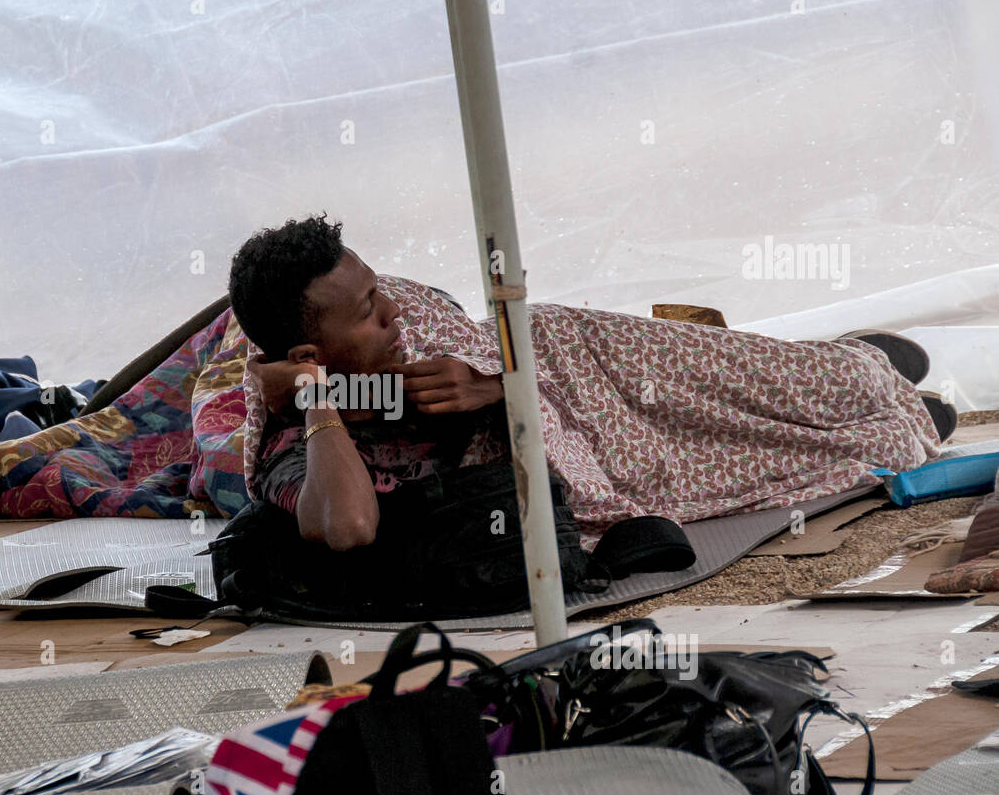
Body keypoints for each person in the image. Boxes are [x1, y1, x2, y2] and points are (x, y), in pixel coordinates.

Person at [230, 214, 943, 551]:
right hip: (587, 439)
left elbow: (441, 319)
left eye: (380, 290)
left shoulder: (390, 360)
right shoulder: (301, 443)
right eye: (366, 312)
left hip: (570, 352)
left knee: (773, 378)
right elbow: (351, 525)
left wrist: (490, 377)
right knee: (727, 452)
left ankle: (850, 368)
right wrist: (498, 399)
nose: (391, 311)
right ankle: (880, 410)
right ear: (306, 354)